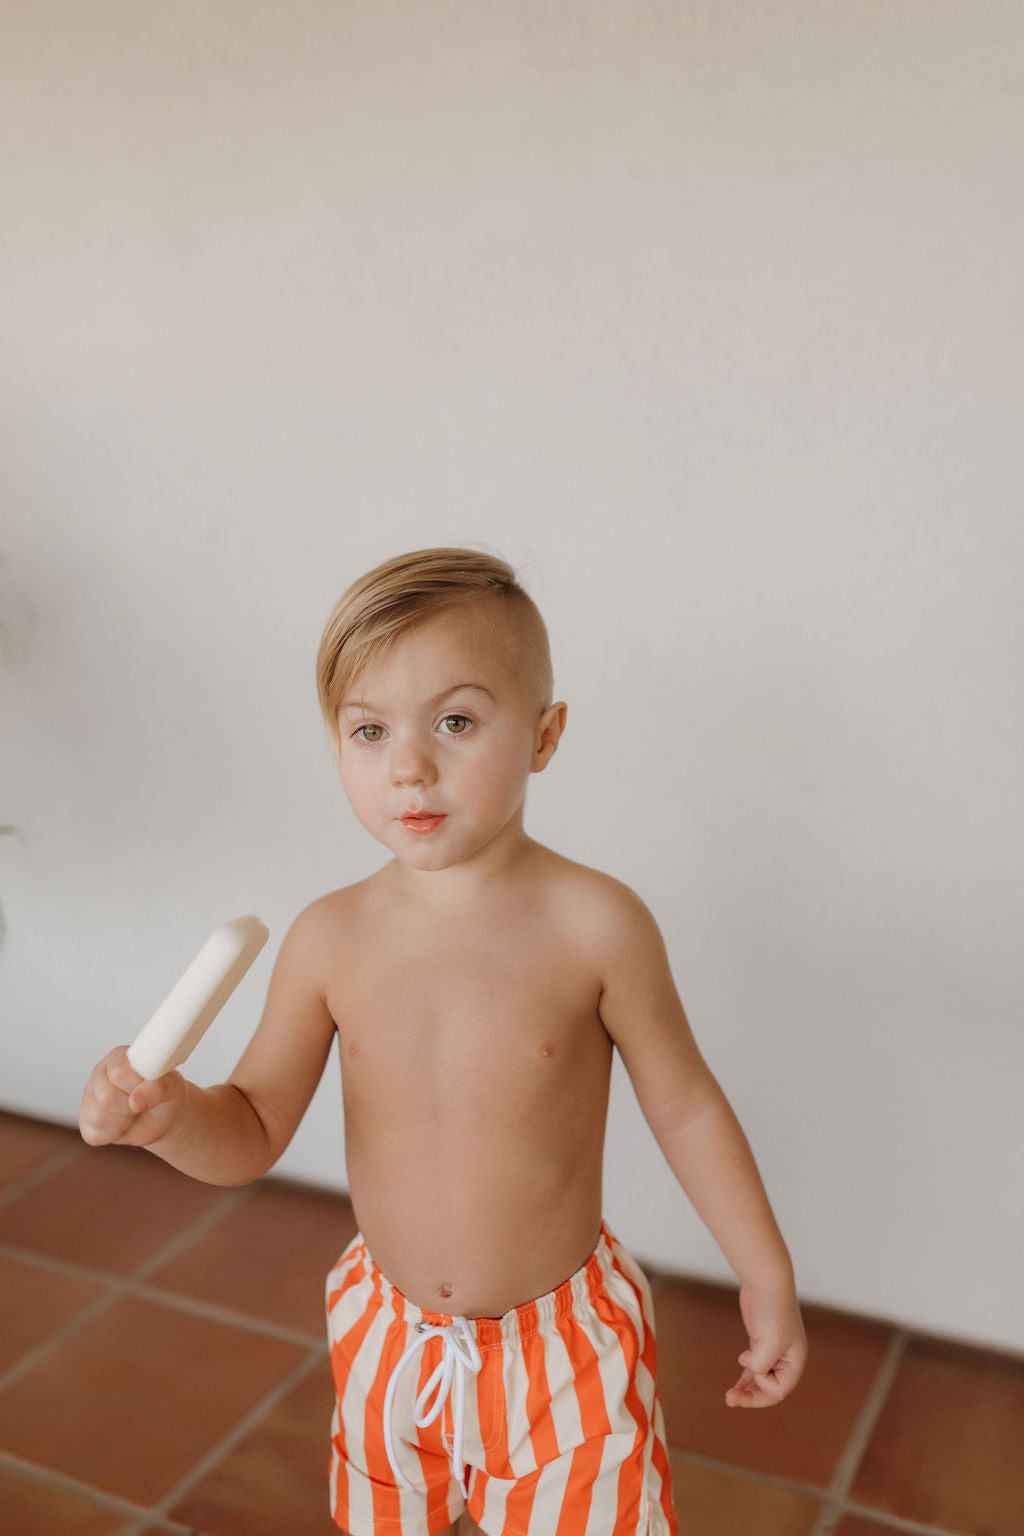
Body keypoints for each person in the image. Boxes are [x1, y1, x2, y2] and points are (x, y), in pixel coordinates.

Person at [79, 546, 807, 1536]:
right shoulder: (330, 937)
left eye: (455, 722)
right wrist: (168, 1118)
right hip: (388, 1338)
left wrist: (764, 1274)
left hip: (562, 1352)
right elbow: (248, 1128)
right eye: (369, 730)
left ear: (544, 735)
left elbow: (685, 1107)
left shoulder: (595, 925)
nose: (409, 767)